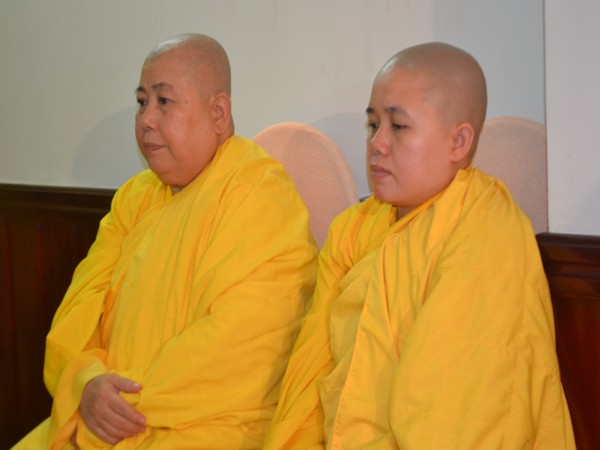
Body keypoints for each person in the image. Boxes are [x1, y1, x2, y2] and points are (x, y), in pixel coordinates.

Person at [263, 42, 576, 449]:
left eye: (398, 126)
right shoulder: (352, 230)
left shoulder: (485, 231)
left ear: (458, 142)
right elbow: (309, 382)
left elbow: (455, 416)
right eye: (372, 125)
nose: (377, 143)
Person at [13, 33, 318, 449]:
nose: (146, 120)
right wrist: (85, 384)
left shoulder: (261, 193)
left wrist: (120, 405)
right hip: (104, 410)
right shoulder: (135, 197)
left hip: (207, 424)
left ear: (218, 112)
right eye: (142, 102)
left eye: (164, 101)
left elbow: (242, 346)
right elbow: (79, 309)